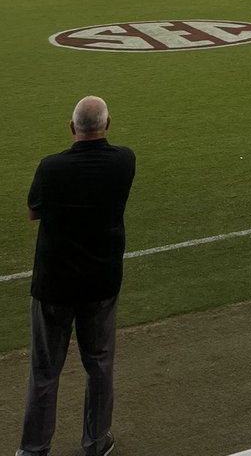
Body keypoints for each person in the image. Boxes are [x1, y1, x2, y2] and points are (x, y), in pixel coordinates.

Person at [18, 97, 135, 456]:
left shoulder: (51, 167)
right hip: (101, 283)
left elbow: (33, 211)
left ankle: (34, 449)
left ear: (72, 127)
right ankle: (96, 442)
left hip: (54, 284)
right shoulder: (124, 161)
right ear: (108, 124)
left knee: (44, 371)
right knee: (99, 364)